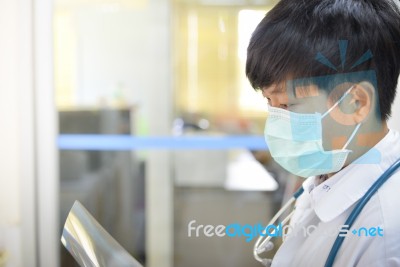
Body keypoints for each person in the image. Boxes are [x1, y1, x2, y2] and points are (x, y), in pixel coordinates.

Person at [246, 0, 400, 266]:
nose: (276, 120)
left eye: (287, 104)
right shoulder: (331, 170)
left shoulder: (385, 233)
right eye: (269, 102)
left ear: (356, 103)